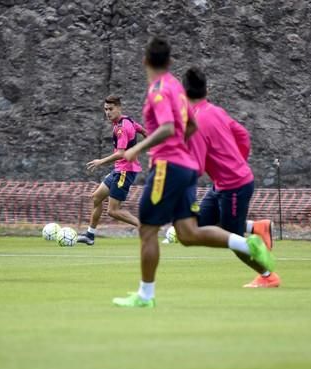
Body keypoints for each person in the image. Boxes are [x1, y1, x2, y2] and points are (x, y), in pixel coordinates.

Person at [112, 37, 274, 308]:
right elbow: (191, 126)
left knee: (148, 230)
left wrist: (136, 148)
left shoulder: (159, 89)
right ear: (170, 62)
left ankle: (145, 296)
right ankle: (248, 245)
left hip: (168, 167)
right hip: (185, 167)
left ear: (144, 61)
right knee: (187, 233)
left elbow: (166, 128)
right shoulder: (176, 87)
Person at [183, 67, 280, 288]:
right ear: (206, 89)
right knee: (198, 225)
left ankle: (268, 276)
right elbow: (243, 135)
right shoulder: (215, 110)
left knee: (233, 240)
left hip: (234, 186)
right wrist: (238, 161)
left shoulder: (195, 123)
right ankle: (257, 228)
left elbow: (196, 168)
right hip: (223, 185)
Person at [77, 95, 147, 245]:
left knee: (113, 211)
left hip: (125, 171)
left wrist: (101, 161)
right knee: (96, 197)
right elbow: (140, 129)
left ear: (119, 108)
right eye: (105, 109)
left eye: (111, 109)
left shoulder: (121, 128)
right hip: (119, 169)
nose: (108, 112)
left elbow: (121, 153)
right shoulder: (127, 120)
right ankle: (90, 235)